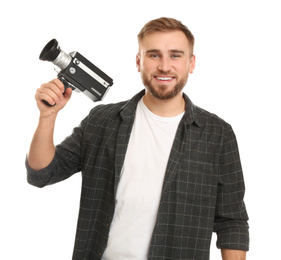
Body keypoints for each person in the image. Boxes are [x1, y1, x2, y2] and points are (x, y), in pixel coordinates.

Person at [26, 17, 249, 260]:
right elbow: (42, 173)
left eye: (175, 55)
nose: (164, 66)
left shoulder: (217, 134)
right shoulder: (102, 121)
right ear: (138, 61)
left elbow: (232, 222)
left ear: (191, 63)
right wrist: (47, 116)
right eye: (153, 55)